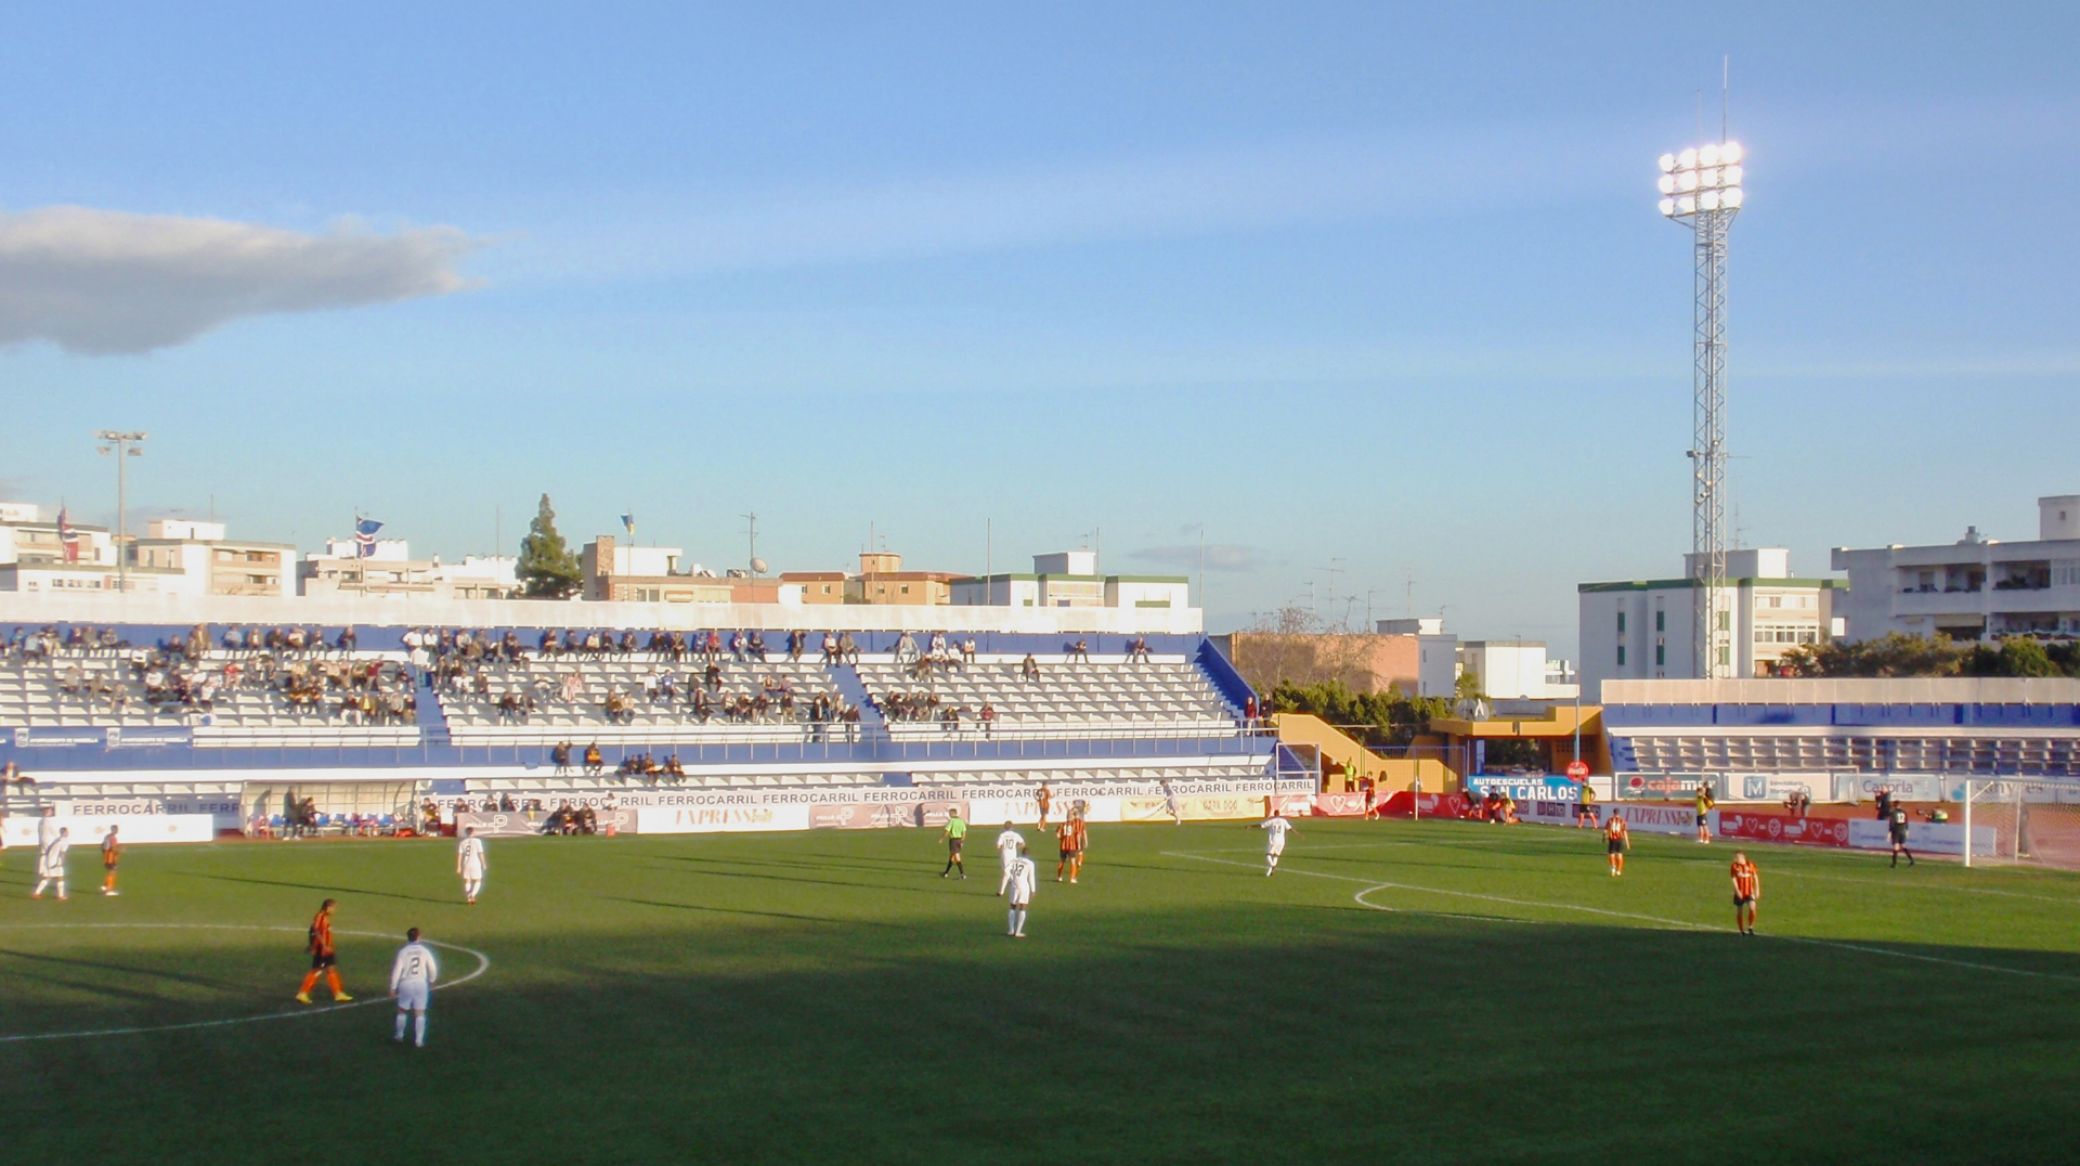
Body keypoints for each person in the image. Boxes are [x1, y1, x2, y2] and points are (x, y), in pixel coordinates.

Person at [389, 926, 440, 1048]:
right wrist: (432, 980)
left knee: (402, 1010)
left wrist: (393, 987)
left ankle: (399, 1035)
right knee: (420, 1012)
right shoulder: (424, 951)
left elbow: (397, 970)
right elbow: (432, 967)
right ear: (418, 937)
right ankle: (419, 1040)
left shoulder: (403, 952)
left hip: (406, 983)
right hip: (421, 984)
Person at [297, 897, 353, 1004]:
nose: (334, 910)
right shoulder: (320, 917)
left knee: (331, 969)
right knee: (317, 970)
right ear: (327, 907)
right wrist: (322, 945)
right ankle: (303, 993)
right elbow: (315, 930)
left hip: (327, 948)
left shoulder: (324, 917)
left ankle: (338, 993)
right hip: (322, 949)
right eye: (333, 908)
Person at [1004, 844, 1037, 939]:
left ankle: (1011, 930)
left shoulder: (1014, 860)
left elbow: (1006, 870)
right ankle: (1018, 932)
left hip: (1014, 885)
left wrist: (1010, 879)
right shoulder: (1030, 863)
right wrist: (1033, 890)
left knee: (1012, 906)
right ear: (1028, 854)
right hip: (1024, 887)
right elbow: (1031, 877)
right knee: (1022, 907)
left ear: (1021, 853)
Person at [32, 826, 71, 900]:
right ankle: (60, 896)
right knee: (60, 878)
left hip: (48, 860)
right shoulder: (64, 841)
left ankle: (36, 893)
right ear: (64, 832)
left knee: (47, 877)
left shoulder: (57, 839)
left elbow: (48, 849)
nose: (68, 833)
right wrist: (62, 862)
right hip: (56, 862)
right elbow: (62, 853)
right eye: (67, 831)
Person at [1730, 851, 1761, 935]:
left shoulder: (1750, 864)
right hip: (1739, 892)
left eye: (1737, 857)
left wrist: (1757, 889)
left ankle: (1750, 927)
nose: (1735, 859)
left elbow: (1755, 877)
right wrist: (1737, 891)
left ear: (1742, 857)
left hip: (1749, 892)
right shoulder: (1734, 866)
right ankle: (1741, 930)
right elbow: (1733, 879)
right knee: (1739, 911)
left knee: (1752, 908)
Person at [456, 827, 488, 904]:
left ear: (466, 833)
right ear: (473, 832)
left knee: (467, 880)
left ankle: (469, 898)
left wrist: (459, 866)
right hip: (475, 863)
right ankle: (472, 895)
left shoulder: (462, 842)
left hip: (466, 863)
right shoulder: (477, 841)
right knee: (478, 880)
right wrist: (483, 863)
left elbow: (460, 855)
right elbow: (480, 853)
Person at [1258, 811, 1295, 876]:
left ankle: (1272, 866)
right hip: (1282, 841)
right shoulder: (1283, 821)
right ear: (1279, 814)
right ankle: (1271, 871)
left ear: (1274, 814)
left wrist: (1250, 826)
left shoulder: (1272, 821)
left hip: (1273, 840)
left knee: (1268, 855)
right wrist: (1298, 834)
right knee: (1276, 855)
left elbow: (1261, 825)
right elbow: (1290, 828)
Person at [994, 822, 1025, 896]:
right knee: (1010, 871)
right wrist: (1016, 847)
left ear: (1004, 827)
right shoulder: (1015, 834)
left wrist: (1001, 848)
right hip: (1013, 855)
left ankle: (1001, 892)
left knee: (1006, 872)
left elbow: (998, 846)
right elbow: (1023, 843)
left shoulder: (1002, 835)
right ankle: (1013, 883)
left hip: (1005, 855)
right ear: (1012, 827)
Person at [940, 809, 968, 879]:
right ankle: (946, 873)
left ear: (952, 814)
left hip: (953, 841)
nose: (949, 815)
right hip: (959, 840)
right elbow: (964, 832)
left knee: (956, 857)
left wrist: (942, 838)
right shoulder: (961, 821)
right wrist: (962, 841)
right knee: (952, 857)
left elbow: (947, 831)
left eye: (950, 814)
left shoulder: (952, 821)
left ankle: (962, 874)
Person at [1890, 803, 1915, 867]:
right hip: (1903, 830)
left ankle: (1894, 864)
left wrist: (1890, 832)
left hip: (1896, 830)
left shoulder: (1893, 812)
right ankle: (1911, 860)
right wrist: (1907, 830)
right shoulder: (1904, 812)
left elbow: (1892, 822)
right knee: (1903, 845)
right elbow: (1906, 822)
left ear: (1894, 806)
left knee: (1896, 846)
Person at [1055, 816, 1080, 882]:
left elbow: (1057, 834)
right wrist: (1078, 845)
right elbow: (1077, 835)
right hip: (1072, 846)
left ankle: (1059, 877)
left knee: (1062, 861)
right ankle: (1072, 878)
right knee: (1073, 861)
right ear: (1071, 817)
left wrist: (1061, 838)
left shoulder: (1062, 824)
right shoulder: (1074, 824)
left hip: (1063, 846)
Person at [1605, 812, 1630, 877]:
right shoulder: (1622, 821)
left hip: (1612, 840)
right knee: (1619, 855)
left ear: (1613, 813)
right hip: (1620, 840)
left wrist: (1604, 838)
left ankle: (1613, 866)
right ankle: (1619, 870)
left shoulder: (1610, 820)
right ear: (1619, 813)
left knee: (1611, 854)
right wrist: (1627, 843)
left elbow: (1605, 830)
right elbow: (1624, 832)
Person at [100, 824, 121, 896]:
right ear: (114, 830)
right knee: (113, 872)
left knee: (111, 871)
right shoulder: (113, 838)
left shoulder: (107, 836)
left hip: (106, 856)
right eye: (116, 829)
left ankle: (105, 886)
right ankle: (109, 890)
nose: (117, 831)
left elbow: (102, 845)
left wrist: (104, 853)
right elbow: (113, 848)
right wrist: (120, 851)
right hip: (111, 857)